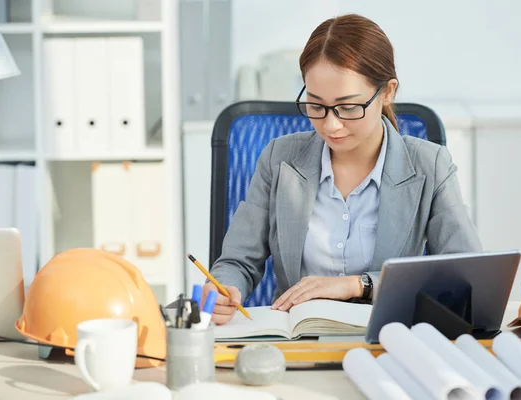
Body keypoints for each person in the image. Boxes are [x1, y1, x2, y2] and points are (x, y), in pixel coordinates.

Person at [203, 14, 483, 325]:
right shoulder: (278, 158)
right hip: (296, 342)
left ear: (387, 92)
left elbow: (464, 279)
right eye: (316, 105)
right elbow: (238, 261)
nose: (331, 124)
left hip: (388, 340)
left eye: (349, 107)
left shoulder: (430, 165)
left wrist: (358, 285)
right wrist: (223, 288)